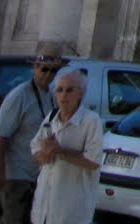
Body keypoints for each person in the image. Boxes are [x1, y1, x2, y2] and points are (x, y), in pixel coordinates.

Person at [0, 49, 63, 224]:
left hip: (36, 173)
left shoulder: (52, 96)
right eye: (44, 69)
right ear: (35, 68)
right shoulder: (19, 96)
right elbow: (0, 135)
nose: (48, 75)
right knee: (12, 219)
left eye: (53, 71)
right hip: (14, 173)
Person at [30, 70, 103, 224]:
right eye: (60, 90)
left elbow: (93, 161)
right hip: (43, 210)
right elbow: (35, 148)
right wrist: (44, 153)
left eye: (70, 90)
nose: (64, 95)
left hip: (71, 212)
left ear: (81, 93)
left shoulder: (91, 121)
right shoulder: (51, 117)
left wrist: (61, 151)